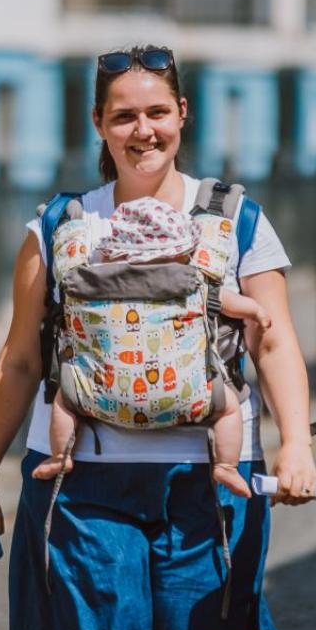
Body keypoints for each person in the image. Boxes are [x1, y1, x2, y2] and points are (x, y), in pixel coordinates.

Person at [0, 44, 316, 630]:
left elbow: (275, 341)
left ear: (182, 114)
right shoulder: (59, 225)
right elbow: (18, 362)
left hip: (208, 483)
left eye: (156, 113)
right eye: (123, 117)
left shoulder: (237, 221)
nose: (142, 131)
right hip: (78, 487)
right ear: (98, 122)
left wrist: (297, 444)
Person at [30, 195, 270, 498]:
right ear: (180, 252)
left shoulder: (88, 282)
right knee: (229, 409)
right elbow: (231, 304)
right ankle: (225, 466)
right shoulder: (194, 281)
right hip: (188, 394)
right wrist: (256, 311)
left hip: (98, 397)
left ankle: (60, 456)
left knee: (65, 401)